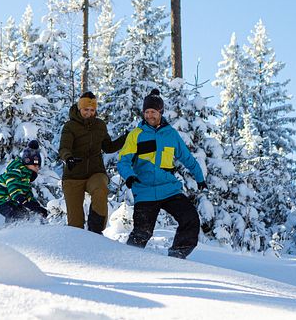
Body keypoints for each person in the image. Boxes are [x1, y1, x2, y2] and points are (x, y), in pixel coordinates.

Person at [117, 88, 207, 259]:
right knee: (142, 232)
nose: (150, 115)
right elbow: (123, 161)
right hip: (145, 190)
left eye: (153, 112)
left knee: (190, 219)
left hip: (169, 189)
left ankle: (176, 256)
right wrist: (129, 176)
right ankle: (127, 261)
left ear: (161, 112)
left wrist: (200, 178)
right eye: (147, 112)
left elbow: (187, 158)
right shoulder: (136, 135)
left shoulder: (171, 135)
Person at [59, 91, 127, 234]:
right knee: (75, 225)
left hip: (95, 172)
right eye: (86, 110)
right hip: (73, 175)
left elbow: (108, 147)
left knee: (100, 189)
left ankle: (96, 231)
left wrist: (124, 139)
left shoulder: (100, 125)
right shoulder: (70, 126)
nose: (89, 113)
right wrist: (68, 158)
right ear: (79, 108)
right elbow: (64, 147)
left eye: (92, 110)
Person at [0, 140, 48, 223]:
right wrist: (22, 199)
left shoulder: (26, 176)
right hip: (0, 200)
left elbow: (27, 193)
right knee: (17, 215)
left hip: (11, 200)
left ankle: (21, 231)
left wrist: (37, 207)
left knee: (25, 215)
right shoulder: (15, 171)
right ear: (27, 162)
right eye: (35, 165)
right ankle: (11, 232)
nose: (37, 168)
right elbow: (14, 189)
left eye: (38, 166)